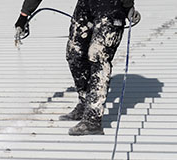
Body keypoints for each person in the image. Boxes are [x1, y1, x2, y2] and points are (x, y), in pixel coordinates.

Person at [15, 0, 140, 136]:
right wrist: (24, 15)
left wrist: (127, 6)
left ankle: (93, 119)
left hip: (112, 5)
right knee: (74, 53)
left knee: (98, 56)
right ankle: (85, 103)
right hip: (86, 4)